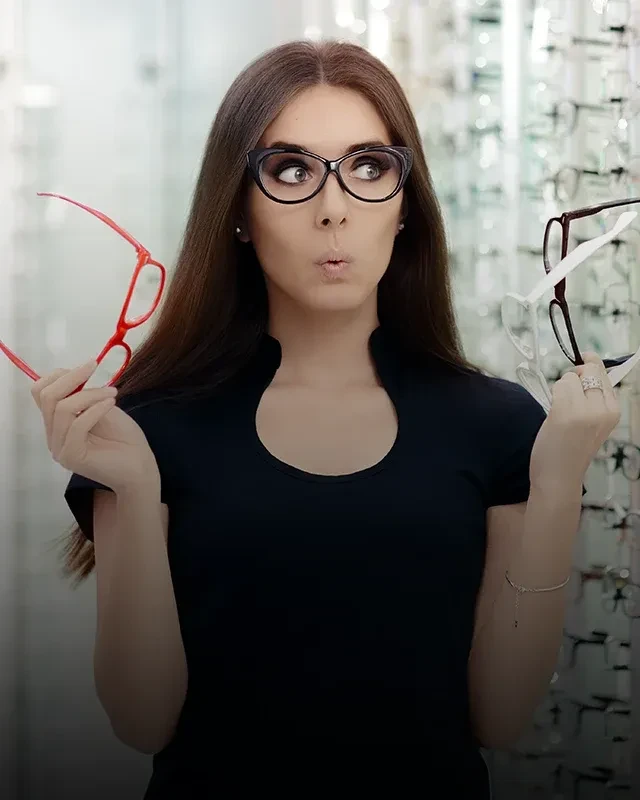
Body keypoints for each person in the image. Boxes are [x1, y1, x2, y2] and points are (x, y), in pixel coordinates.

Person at [29, 39, 620, 799]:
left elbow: (500, 717)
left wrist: (560, 479)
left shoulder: (497, 425)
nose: (334, 208)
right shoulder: (146, 431)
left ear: (406, 206)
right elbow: (143, 721)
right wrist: (137, 493)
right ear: (236, 211)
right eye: (291, 170)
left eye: (370, 167)